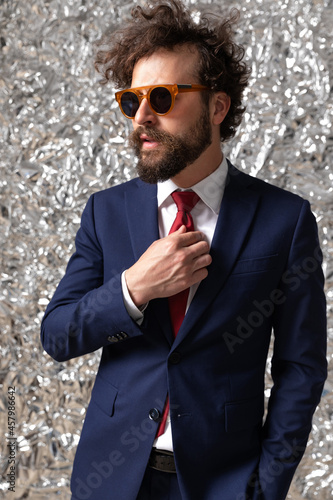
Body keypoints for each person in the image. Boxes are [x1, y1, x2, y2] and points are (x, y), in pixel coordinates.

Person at [40, 1, 327, 499]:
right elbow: (57, 334)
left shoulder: (286, 219)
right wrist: (134, 288)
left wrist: (266, 486)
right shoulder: (104, 213)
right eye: (132, 101)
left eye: (163, 98)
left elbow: (301, 368)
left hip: (223, 483)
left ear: (218, 107)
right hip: (110, 477)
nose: (142, 117)